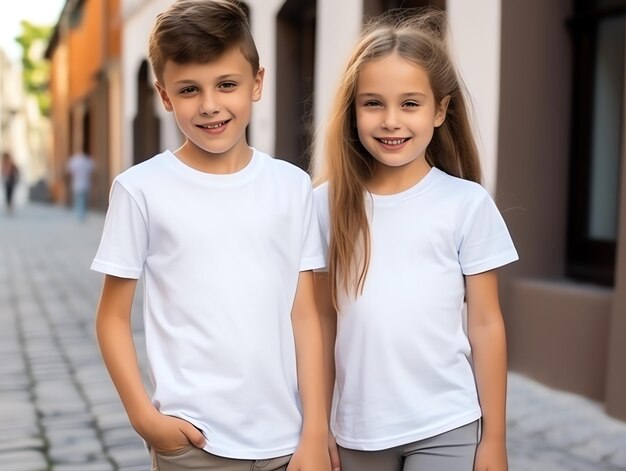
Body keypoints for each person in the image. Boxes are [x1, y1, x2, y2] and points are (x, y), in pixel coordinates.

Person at [91, 1, 330, 470]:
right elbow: (111, 318)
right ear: (164, 96)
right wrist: (144, 418)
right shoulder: (140, 190)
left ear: (257, 83)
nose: (210, 105)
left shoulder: (292, 186)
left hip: (287, 438)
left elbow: (306, 315)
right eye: (189, 90)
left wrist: (316, 431)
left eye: (227, 84)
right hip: (195, 443)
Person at [312, 8, 518, 471]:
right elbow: (320, 323)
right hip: (357, 431)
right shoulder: (324, 206)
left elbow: (486, 324)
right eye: (373, 103)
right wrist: (318, 425)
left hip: (446, 424)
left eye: (410, 103)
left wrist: (495, 440)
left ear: (440, 110)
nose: (391, 121)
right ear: (353, 111)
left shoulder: (466, 204)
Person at [66, 150, 95, 221]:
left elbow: (70, 171)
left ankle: (80, 214)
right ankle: (81, 214)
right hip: (85, 184)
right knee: (83, 200)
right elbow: (92, 171)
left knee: (79, 200)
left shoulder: (74, 161)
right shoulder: (87, 161)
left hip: (77, 184)